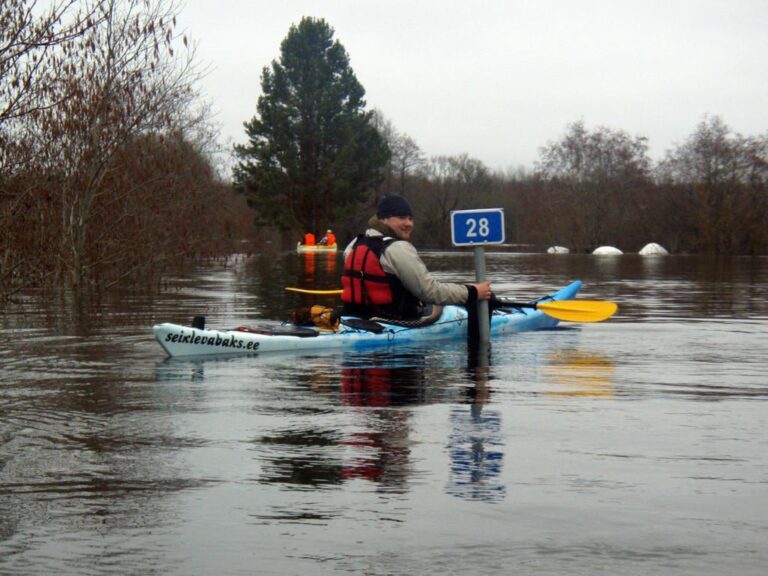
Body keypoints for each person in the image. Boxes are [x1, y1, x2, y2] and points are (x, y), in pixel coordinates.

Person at [341, 194, 492, 319]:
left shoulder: (355, 243)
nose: (409, 224)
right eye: (401, 217)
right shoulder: (397, 248)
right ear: (383, 219)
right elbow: (429, 291)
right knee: (442, 304)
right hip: (396, 321)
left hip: (355, 317)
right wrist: (473, 292)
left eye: (410, 218)